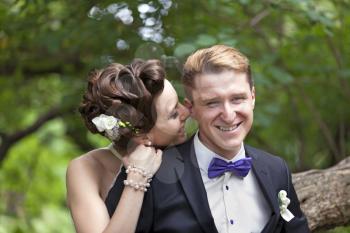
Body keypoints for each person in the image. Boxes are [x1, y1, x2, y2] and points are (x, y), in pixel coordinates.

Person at [106, 45, 310, 233]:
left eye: (237, 98)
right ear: (191, 108)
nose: (229, 115)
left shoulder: (276, 169)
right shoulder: (148, 174)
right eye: (212, 103)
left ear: (253, 97)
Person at [66, 59, 189, 233]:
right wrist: (137, 177)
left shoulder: (188, 158)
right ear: (141, 135)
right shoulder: (87, 169)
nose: (187, 112)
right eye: (174, 113)